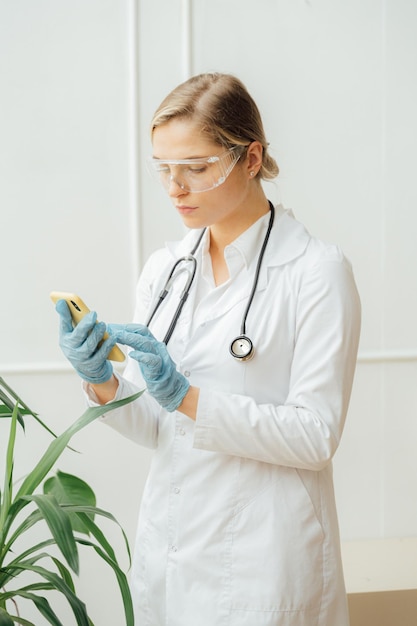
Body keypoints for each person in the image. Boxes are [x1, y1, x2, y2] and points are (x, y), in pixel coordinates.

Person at [55, 72, 361, 626]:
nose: (176, 188)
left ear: (250, 158)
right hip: (171, 556)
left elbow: (316, 435)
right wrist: (101, 381)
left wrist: (187, 397)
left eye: (196, 169)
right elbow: (158, 427)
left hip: (265, 566)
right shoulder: (167, 270)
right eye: (164, 170)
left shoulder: (316, 273)